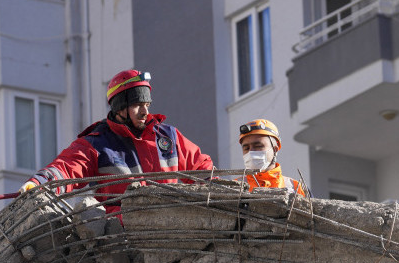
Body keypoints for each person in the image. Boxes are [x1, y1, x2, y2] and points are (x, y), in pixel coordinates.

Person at [21, 69, 213, 211]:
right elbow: (66, 167)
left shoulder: (168, 136)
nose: (145, 111)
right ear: (120, 107)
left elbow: (201, 169)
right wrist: (39, 183)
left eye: (147, 104)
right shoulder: (97, 144)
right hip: (125, 243)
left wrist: (222, 191)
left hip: (173, 234)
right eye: (138, 105)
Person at [238, 118, 306, 195]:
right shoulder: (234, 187)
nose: (251, 152)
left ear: (275, 149)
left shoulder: (295, 188)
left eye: (258, 146)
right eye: (246, 148)